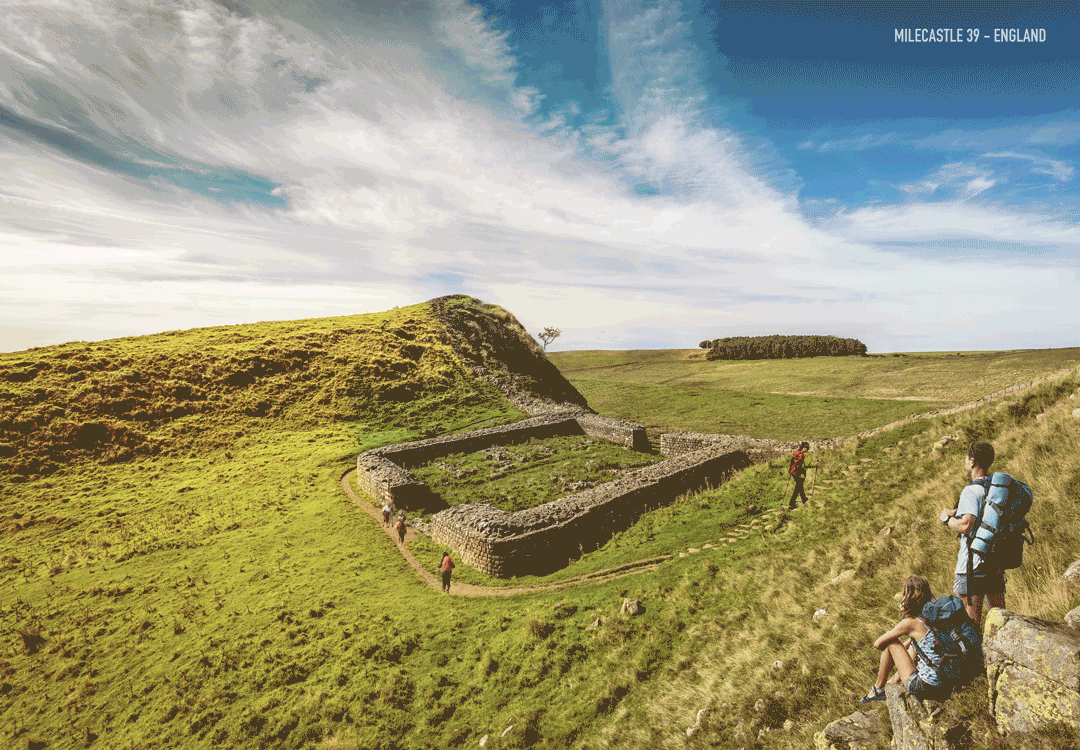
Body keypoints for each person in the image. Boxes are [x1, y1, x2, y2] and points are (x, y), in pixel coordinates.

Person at [939, 441, 1005, 627]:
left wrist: (946, 518)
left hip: (972, 566)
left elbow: (966, 525)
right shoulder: (996, 490)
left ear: (972, 461)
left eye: (966, 458)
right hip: (994, 563)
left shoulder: (971, 490)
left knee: (970, 625)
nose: (965, 462)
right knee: (999, 620)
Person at [859, 575, 950, 704]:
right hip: (945, 681)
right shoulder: (932, 616)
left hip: (927, 686)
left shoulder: (910, 623)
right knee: (913, 643)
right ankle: (894, 681)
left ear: (908, 596)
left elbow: (878, 644)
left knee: (892, 642)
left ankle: (877, 689)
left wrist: (897, 645)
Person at [788, 441, 816, 510]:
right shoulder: (806, 454)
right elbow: (808, 464)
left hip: (794, 473)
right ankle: (792, 503)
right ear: (807, 447)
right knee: (798, 488)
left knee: (799, 487)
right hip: (801, 474)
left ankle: (804, 499)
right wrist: (816, 464)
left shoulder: (797, 453)